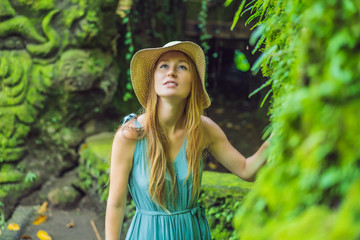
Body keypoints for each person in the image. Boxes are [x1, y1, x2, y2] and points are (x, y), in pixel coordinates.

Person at [105, 41, 271, 240]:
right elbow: (116, 204)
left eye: (182, 66)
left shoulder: (203, 129)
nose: (171, 72)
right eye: (163, 66)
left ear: (194, 82)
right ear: (153, 80)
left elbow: (246, 169)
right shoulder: (130, 135)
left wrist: (278, 134)